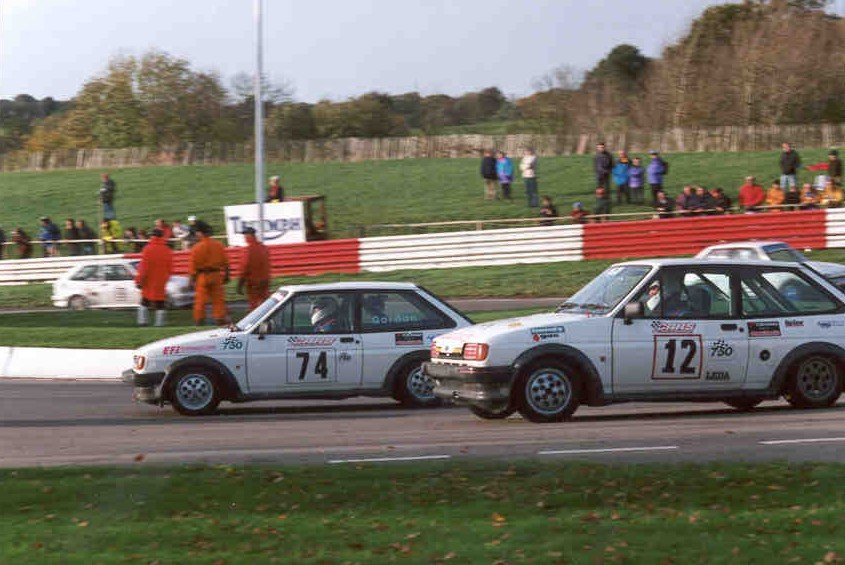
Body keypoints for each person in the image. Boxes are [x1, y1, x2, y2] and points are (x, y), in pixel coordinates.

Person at [189, 223, 230, 326]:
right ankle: (220, 320)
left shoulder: (196, 248)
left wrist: (192, 280)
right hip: (216, 275)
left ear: (200, 233)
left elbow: (193, 267)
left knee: (200, 301)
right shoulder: (218, 245)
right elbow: (226, 263)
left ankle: (199, 321)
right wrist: (226, 275)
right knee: (218, 300)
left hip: (202, 276)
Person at [134, 228, 173, 327]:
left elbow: (143, 267)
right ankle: (160, 324)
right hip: (161, 280)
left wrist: (139, 281)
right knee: (160, 302)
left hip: (148, 280)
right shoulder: (167, 250)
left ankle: (143, 322)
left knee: (144, 301)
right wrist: (166, 278)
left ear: (152, 236)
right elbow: (170, 268)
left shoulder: (148, 249)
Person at [237, 227, 271, 310]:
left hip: (253, 283)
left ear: (249, 236)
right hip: (265, 281)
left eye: (245, 236)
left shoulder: (248, 250)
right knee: (266, 305)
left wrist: (239, 285)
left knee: (254, 307)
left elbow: (244, 268)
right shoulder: (264, 248)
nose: (244, 238)